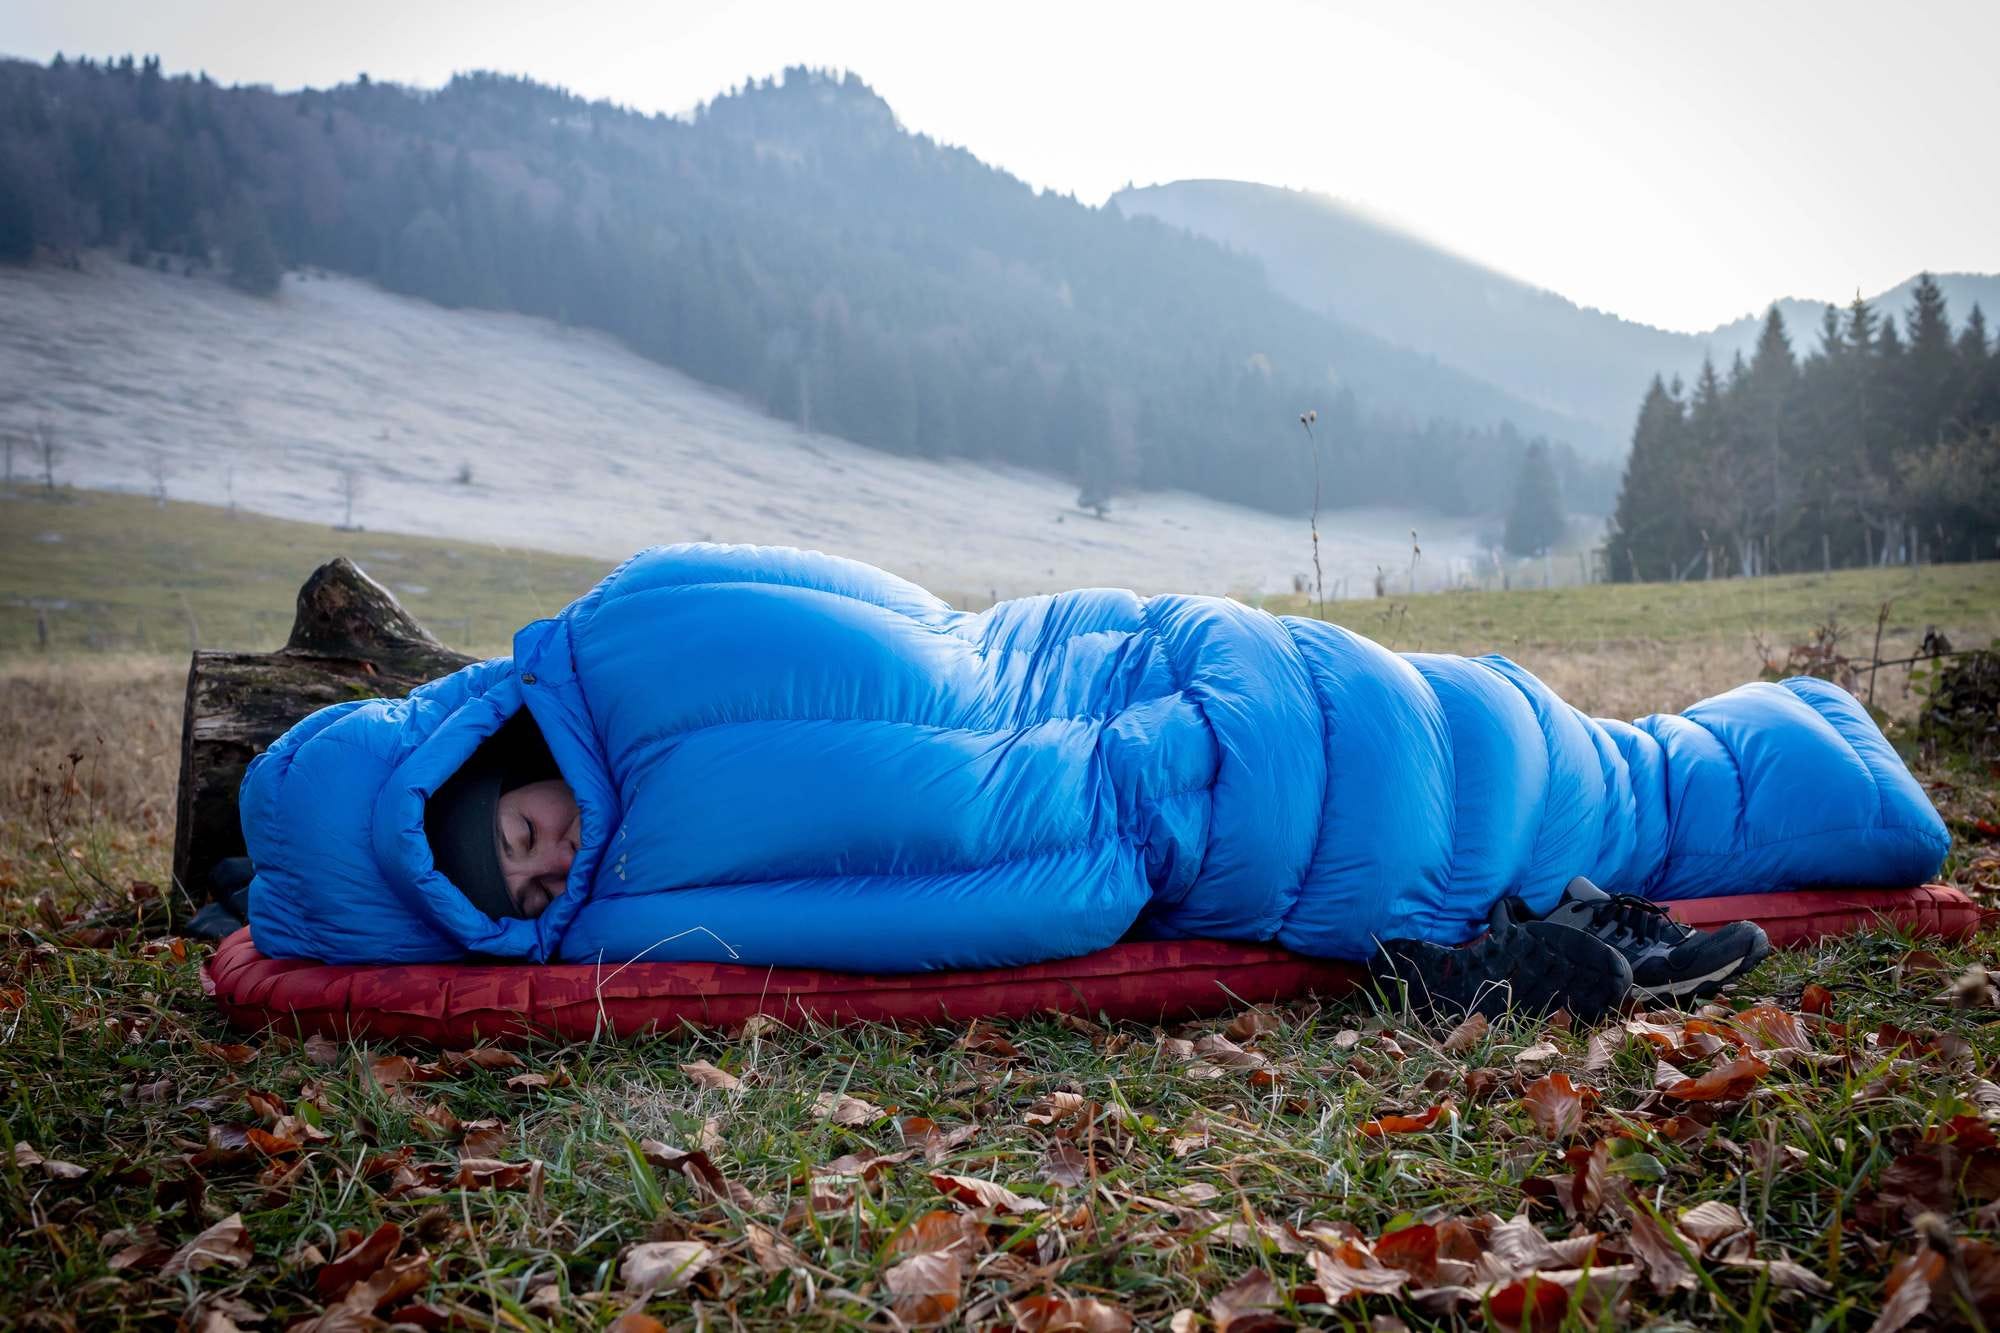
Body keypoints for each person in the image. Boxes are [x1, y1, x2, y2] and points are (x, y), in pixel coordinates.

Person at [242, 543, 1950, 1021]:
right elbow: (977, 867)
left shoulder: (625, 643)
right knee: (1514, 774)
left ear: (493, 753)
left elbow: (952, 705)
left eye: (522, 833)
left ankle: (1732, 770)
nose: (549, 870)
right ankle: (1752, 761)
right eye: (522, 894)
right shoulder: (647, 890)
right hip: (1169, 742)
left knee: (1460, 757)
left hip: (1150, 685)